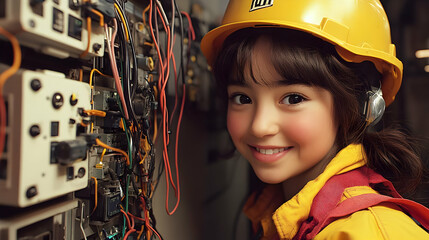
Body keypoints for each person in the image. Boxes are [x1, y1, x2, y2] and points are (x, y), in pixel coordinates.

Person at [201, 0, 429, 239]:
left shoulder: (366, 232)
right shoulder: (278, 214)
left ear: (360, 104)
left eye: (293, 99)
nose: (260, 126)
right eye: (242, 98)